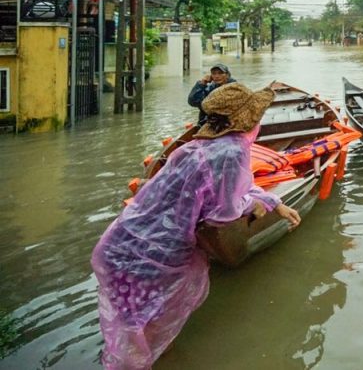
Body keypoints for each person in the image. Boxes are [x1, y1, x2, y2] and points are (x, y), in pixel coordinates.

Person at [92, 83, 301, 369]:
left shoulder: (197, 146)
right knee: (148, 336)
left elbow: (236, 189)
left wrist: (272, 201)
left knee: (132, 332)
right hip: (153, 259)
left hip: (119, 245)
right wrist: (256, 207)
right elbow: (223, 214)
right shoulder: (233, 153)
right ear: (249, 120)